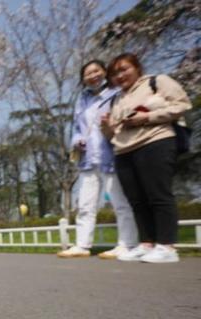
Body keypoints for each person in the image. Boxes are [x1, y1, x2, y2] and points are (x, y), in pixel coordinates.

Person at [101, 53, 192, 263]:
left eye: (124, 69)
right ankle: (146, 242)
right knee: (137, 200)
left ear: (137, 67)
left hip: (155, 141)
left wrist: (147, 117)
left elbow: (182, 105)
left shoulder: (156, 82)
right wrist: (106, 127)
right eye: (115, 74)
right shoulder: (117, 98)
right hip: (124, 150)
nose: (120, 76)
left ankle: (167, 246)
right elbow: (112, 133)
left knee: (158, 194)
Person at [58, 60, 138, 259]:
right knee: (85, 205)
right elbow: (77, 127)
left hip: (110, 155)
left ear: (104, 72)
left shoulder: (116, 94)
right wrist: (77, 141)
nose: (93, 76)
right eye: (88, 73)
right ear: (83, 79)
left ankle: (127, 244)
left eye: (96, 71)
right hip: (88, 159)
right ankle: (82, 245)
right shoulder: (82, 99)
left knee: (119, 201)